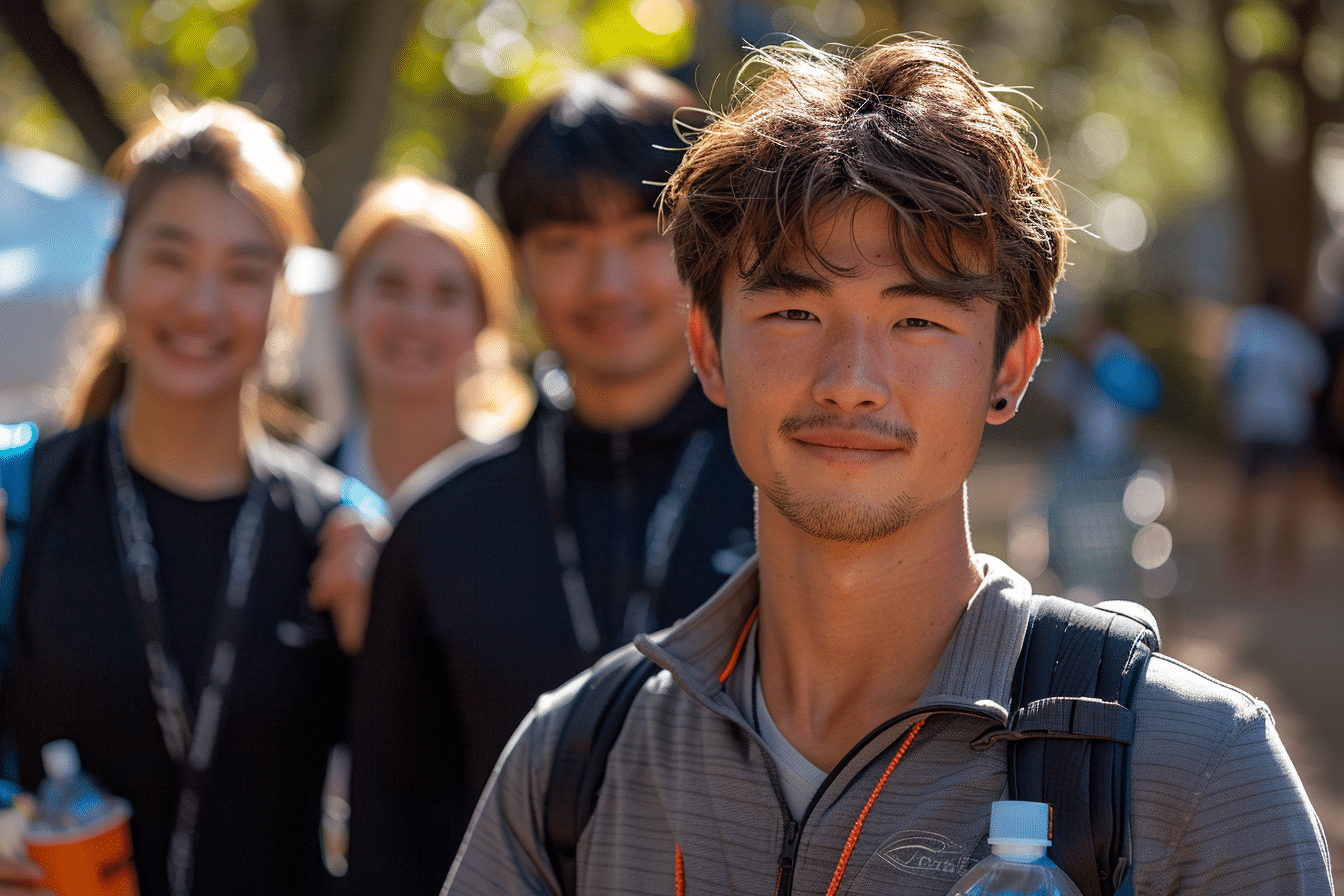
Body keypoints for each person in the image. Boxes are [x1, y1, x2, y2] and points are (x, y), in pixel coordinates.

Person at [444, 38, 1333, 896]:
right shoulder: (579, 760)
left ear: (1011, 370)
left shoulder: (1197, 775)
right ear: (707, 351)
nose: (852, 384)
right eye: (794, 312)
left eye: (919, 322)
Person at [341, 66, 756, 894]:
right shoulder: (440, 526)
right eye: (566, 243)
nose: (608, 285)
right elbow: (392, 833)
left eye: (644, 237)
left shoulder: (791, 488)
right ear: (520, 265)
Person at [0, 101, 384, 896]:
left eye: (245, 272)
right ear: (114, 272)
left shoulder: (343, 534)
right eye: (171, 258)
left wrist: (380, 645)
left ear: (283, 305)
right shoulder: (16, 493)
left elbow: (414, 806)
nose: (203, 304)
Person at [328, 174, 525, 517]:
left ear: (485, 320)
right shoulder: (287, 499)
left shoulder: (528, 500)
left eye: (447, 294)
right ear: (346, 301)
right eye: (391, 285)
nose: (415, 317)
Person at [1221, 282, 1330, 590]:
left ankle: (1242, 563)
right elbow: (1314, 384)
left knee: (1246, 493)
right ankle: (1286, 564)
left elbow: (1229, 373)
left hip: (1250, 421)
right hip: (1289, 423)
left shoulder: (1243, 325)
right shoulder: (1296, 333)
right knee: (1290, 495)